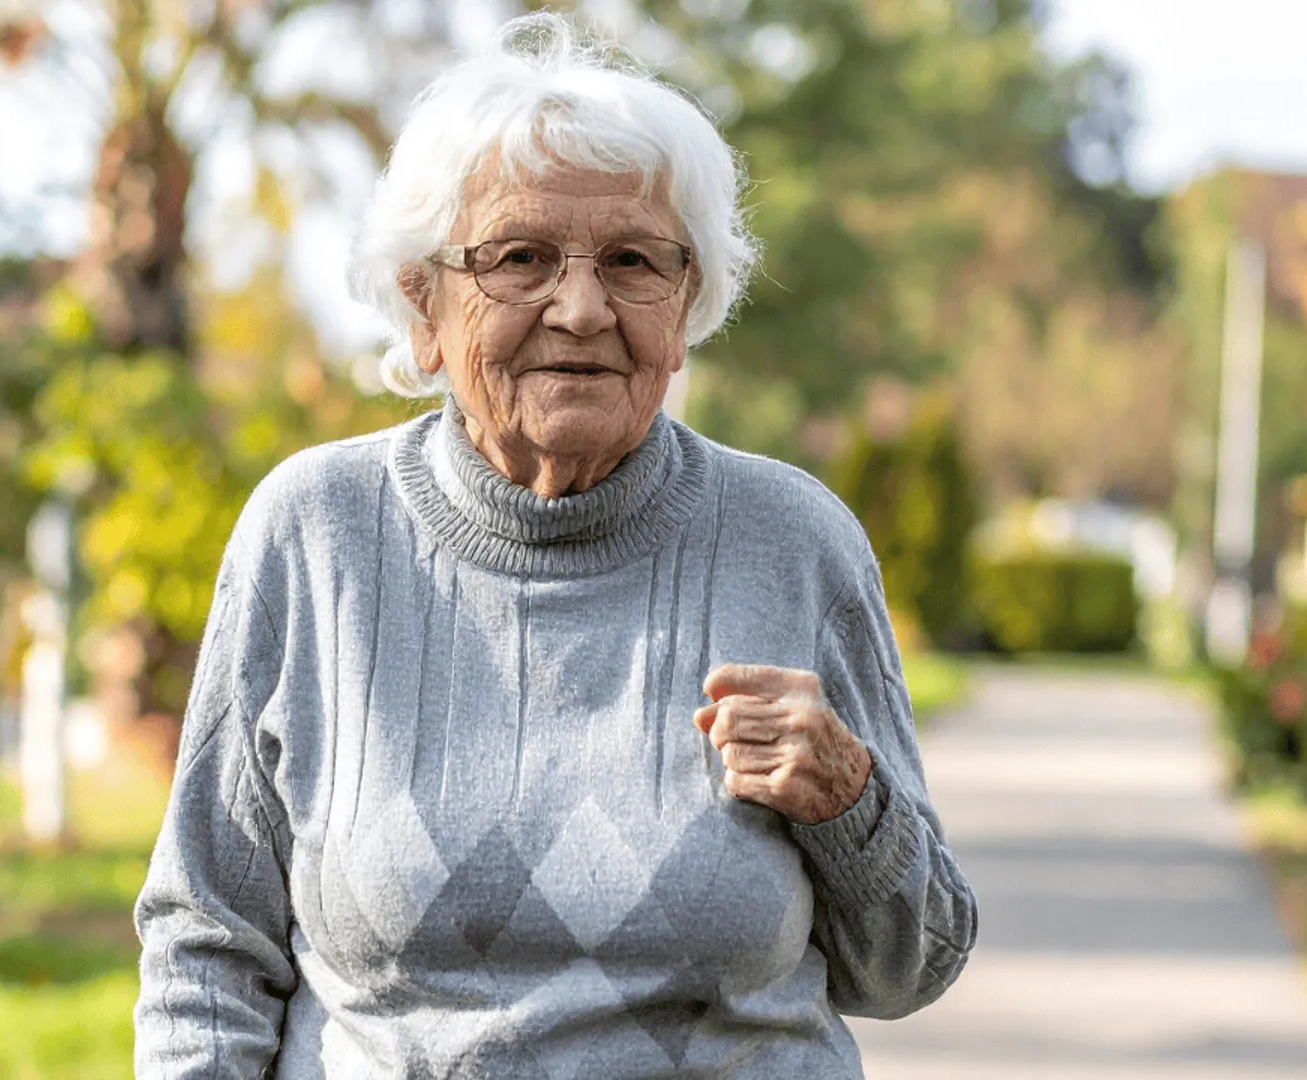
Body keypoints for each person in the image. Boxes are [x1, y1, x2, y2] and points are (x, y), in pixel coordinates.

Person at [134, 14, 976, 1078]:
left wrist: (850, 800)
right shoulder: (316, 534)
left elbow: (913, 967)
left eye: (633, 262)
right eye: (519, 257)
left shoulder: (793, 540)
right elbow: (205, 946)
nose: (580, 308)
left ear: (687, 308)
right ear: (422, 305)